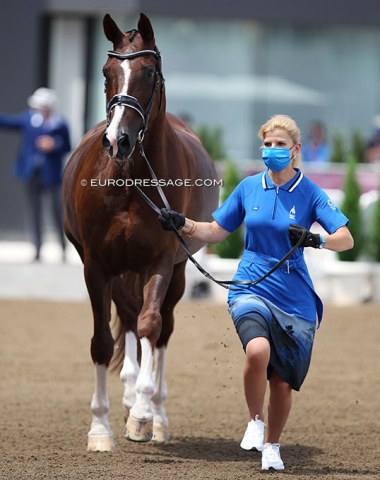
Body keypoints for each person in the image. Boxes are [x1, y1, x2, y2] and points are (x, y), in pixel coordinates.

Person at [158, 114, 353, 471]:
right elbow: (216, 230)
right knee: (258, 349)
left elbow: (346, 237)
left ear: (295, 150)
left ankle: (272, 446)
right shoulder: (249, 187)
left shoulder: (309, 192)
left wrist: (316, 239)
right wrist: (182, 223)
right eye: (267, 144)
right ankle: (254, 419)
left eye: (280, 145)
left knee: (281, 383)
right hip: (250, 285)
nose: (272, 150)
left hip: (295, 298)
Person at [0, 88, 71, 261]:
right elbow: (7, 122)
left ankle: (62, 248)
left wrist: (54, 145)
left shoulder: (60, 124)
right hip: (32, 173)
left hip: (52, 174)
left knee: (57, 212)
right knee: (34, 212)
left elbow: (67, 146)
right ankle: (37, 249)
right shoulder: (29, 119)